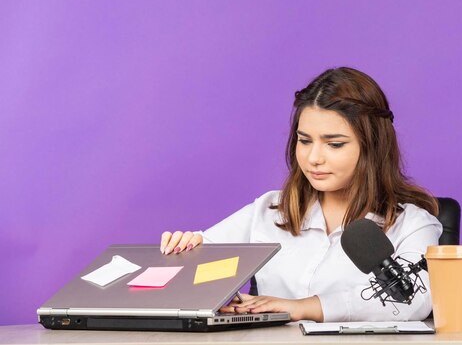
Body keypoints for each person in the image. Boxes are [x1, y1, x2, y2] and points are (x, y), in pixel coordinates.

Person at [160, 67, 442, 322]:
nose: (313, 158)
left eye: (334, 144)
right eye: (304, 140)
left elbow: (414, 300)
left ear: (372, 147)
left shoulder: (413, 224)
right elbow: (195, 274)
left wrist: (303, 307)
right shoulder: (269, 210)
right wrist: (185, 255)